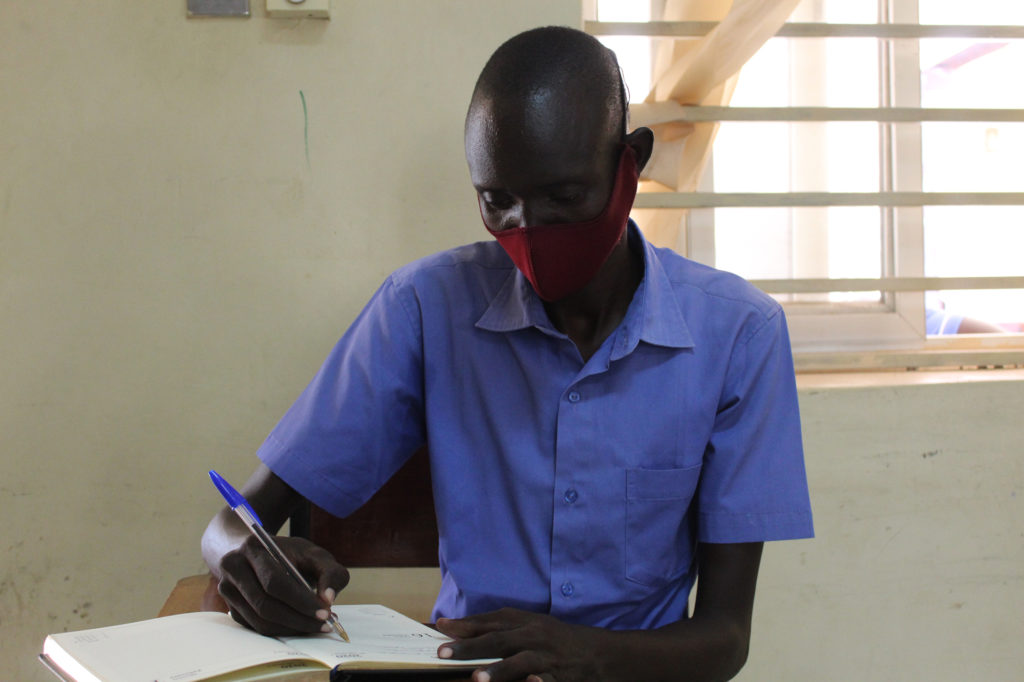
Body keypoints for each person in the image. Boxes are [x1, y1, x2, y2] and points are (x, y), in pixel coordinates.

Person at [202, 26, 813, 682]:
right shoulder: (426, 307)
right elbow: (233, 521)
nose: (530, 229)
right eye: (499, 201)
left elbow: (726, 638)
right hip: (464, 669)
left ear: (629, 162)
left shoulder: (738, 336)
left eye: (563, 198)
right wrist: (243, 556)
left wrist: (585, 654)